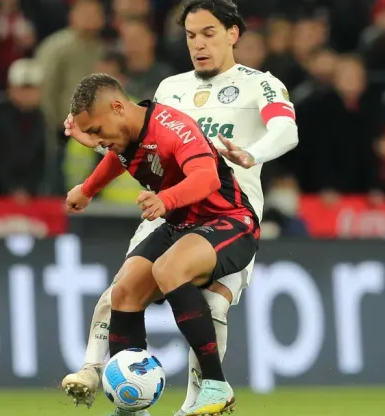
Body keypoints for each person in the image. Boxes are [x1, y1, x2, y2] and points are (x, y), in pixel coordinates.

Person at [61, 1, 299, 415]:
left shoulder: (259, 84)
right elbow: (134, 143)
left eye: (208, 33)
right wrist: (91, 176)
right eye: (191, 36)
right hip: (171, 212)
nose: (199, 44)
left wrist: (252, 154)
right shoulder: (171, 88)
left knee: (211, 303)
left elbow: (286, 129)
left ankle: (201, 399)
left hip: (227, 212)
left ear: (232, 34)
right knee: (124, 287)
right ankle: (110, 382)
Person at [65, 73, 258, 416]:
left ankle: (216, 386)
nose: (95, 141)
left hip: (228, 221)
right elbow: (119, 157)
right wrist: (88, 189)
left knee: (168, 268)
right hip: (182, 225)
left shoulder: (172, 127)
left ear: (117, 107)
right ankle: (132, 407)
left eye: (96, 131)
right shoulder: (127, 135)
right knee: (123, 292)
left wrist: (166, 199)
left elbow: (207, 177)